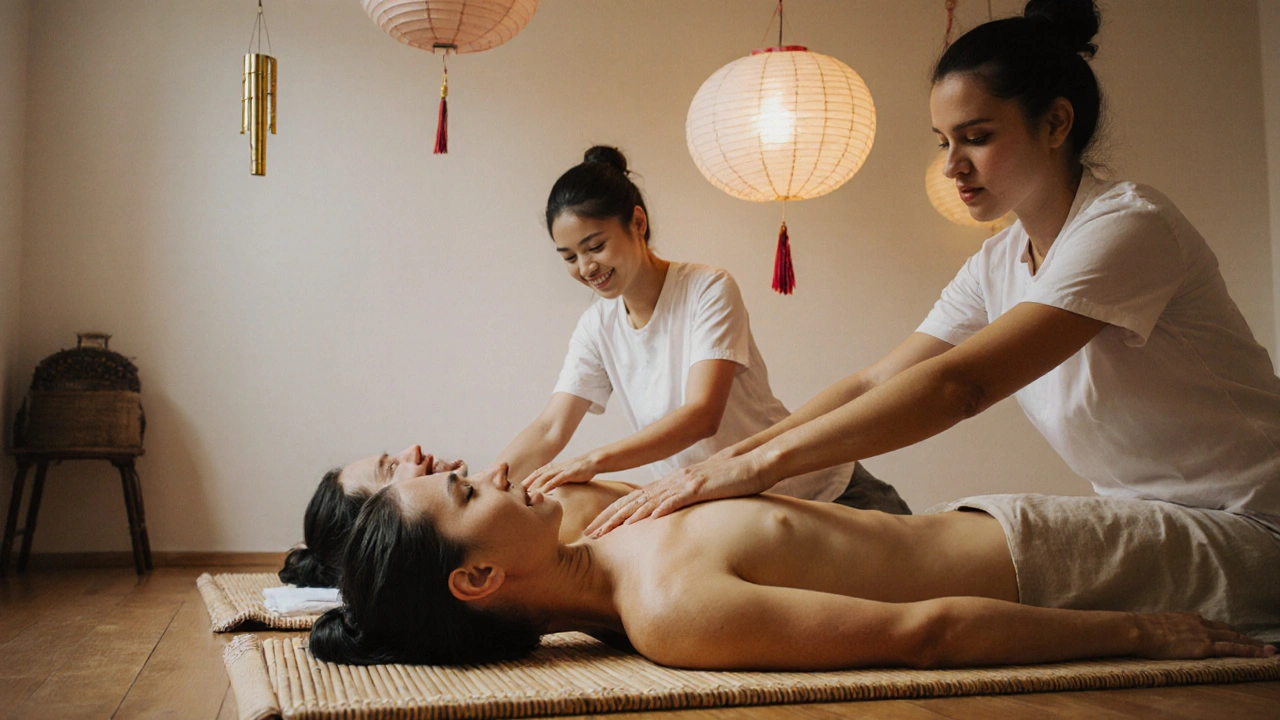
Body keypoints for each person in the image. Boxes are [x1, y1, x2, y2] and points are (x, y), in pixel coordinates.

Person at [584, 0, 1280, 562]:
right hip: (1159, 522)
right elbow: (871, 383)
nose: (953, 165)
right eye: (944, 142)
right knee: (944, 536)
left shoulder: (1128, 227)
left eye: (975, 136)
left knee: (963, 542)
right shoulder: (999, 262)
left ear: (1056, 122)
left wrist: (754, 470)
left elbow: (960, 387)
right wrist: (736, 458)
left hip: (1254, 517)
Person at [308, 464, 1279, 669]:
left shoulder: (604, 536)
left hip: (1019, 518)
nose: (493, 473)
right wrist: (1143, 632)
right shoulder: (670, 613)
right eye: (472, 497)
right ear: (476, 579)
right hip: (1066, 571)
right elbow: (923, 634)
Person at [500, 145, 908, 515]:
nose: (586, 268)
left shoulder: (707, 289)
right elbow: (550, 427)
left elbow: (701, 415)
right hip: (739, 513)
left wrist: (592, 461)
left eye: (595, 246)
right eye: (569, 257)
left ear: (637, 222)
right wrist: (481, 484)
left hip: (822, 492)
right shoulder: (596, 327)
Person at [278, 444, 631, 587]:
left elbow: (549, 429)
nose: (412, 450)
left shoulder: (511, 500)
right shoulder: (531, 532)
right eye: (391, 469)